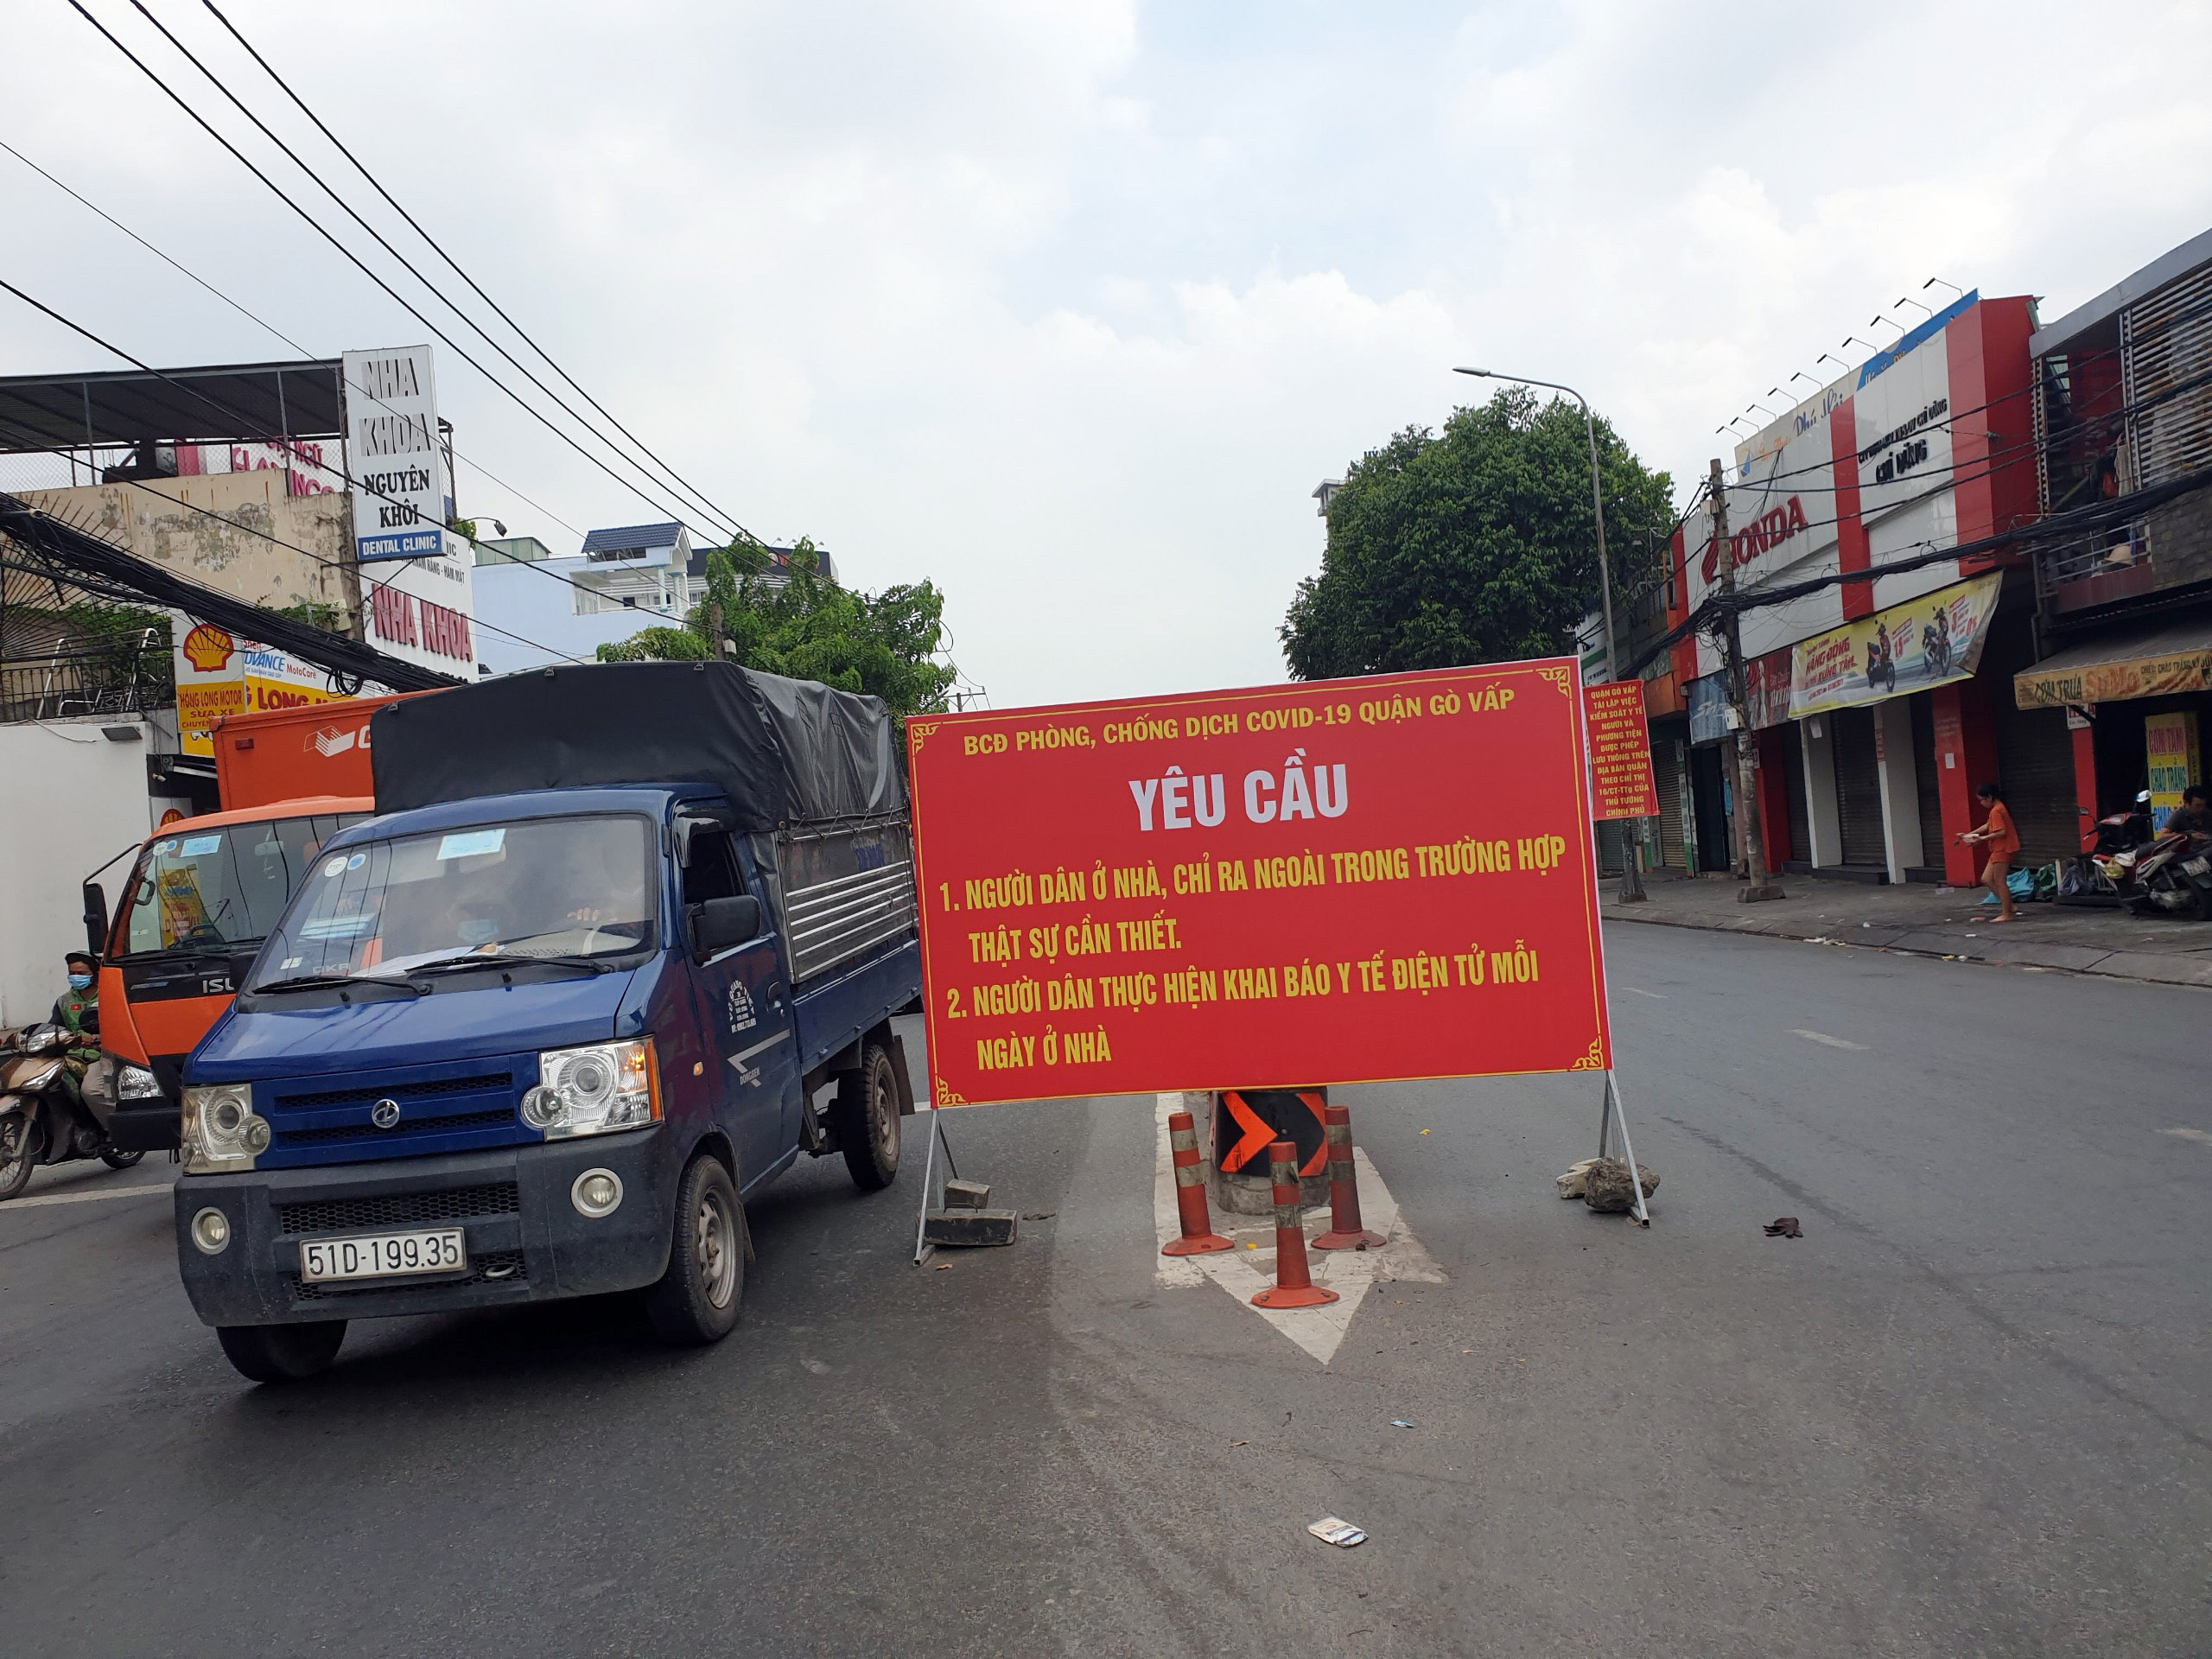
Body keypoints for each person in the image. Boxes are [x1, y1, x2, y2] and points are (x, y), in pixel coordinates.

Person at [1959, 781, 2021, 923]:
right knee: (1986, 879)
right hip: (1998, 849)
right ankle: (2009, 906)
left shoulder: (1997, 810)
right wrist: (1969, 835)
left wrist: (1981, 839)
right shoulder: (1997, 809)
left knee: (1999, 881)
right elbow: (1988, 826)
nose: (1981, 803)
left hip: (2003, 849)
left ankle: (2007, 913)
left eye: (1982, 799)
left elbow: (2001, 832)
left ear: (1990, 797)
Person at [50, 950, 101, 1096]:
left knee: (90, 1089)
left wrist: (96, 1040)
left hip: (100, 1056)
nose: (76, 977)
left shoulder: (109, 996)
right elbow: (54, 1028)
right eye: (72, 973)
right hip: (72, 1056)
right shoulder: (64, 1001)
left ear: (95, 974)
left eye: (81, 973)